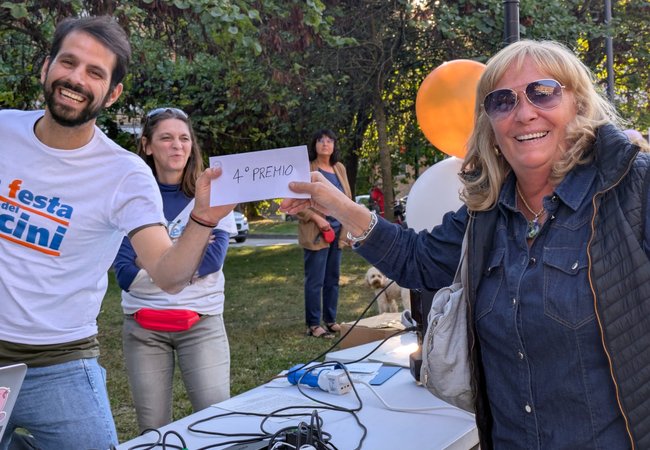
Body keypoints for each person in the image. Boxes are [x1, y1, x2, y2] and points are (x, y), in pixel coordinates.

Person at [282, 40, 650, 448]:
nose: (524, 113)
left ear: (577, 103)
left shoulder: (633, 186)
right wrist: (338, 205)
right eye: (502, 101)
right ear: (489, 123)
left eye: (543, 92)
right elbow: (417, 260)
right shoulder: (487, 212)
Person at [0, 16, 232, 449]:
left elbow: (169, 274)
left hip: (60, 361)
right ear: (46, 67)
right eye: (68, 62)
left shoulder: (125, 174)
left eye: (95, 72)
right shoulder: (2, 130)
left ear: (112, 93)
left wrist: (203, 218)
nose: (76, 79)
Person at [112, 108, 232, 432]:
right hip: (143, 329)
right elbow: (124, 274)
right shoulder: (129, 197)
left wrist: (149, 259)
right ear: (147, 145)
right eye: (166, 138)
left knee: (216, 423)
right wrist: (185, 256)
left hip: (201, 322)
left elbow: (213, 260)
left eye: (184, 138)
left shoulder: (214, 194)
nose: (177, 145)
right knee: (153, 431)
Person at [297, 129, 352, 338]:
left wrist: (348, 226)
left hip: (338, 230)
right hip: (316, 231)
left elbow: (347, 198)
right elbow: (297, 202)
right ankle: (313, 325)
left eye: (329, 140)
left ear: (334, 145)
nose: (325, 144)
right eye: (320, 140)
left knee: (332, 278)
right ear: (314, 145)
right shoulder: (306, 168)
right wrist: (318, 219)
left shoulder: (339, 168)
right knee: (315, 280)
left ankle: (330, 320)